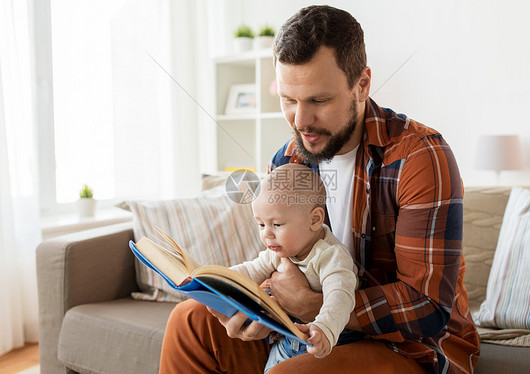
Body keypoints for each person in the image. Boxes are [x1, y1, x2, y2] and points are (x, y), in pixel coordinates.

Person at [160, 5, 480, 374]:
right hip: (308, 334)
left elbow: (427, 308)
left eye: (318, 101)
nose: (300, 120)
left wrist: (313, 307)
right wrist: (263, 307)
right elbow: (283, 263)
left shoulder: (420, 157)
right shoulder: (288, 159)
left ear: (362, 84)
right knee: (188, 323)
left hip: (408, 348)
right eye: (288, 100)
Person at [229, 163, 360, 372]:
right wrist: (219, 278)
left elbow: (340, 296)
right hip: (287, 340)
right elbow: (252, 269)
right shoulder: (279, 250)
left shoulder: (330, 256)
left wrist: (325, 329)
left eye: (277, 225)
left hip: (332, 341)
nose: (267, 235)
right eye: (261, 225)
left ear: (314, 219)